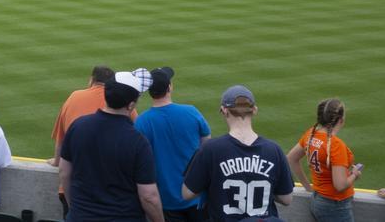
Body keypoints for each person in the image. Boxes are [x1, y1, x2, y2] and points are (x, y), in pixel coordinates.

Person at [59, 71, 163, 222]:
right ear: (131, 105)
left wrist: (76, 208)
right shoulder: (138, 142)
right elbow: (148, 196)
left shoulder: (78, 126)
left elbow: (64, 172)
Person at [182, 85, 294, 222]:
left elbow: (187, 193)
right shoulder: (274, 150)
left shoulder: (210, 149)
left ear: (224, 110)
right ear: (254, 110)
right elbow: (287, 198)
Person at [49, 65, 139, 217]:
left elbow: (61, 141)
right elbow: (136, 134)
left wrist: (56, 160)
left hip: (77, 194)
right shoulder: (122, 102)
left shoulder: (74, 97)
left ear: (91, 80)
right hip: (113, 194)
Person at [135, 67, 210, 222]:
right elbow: (207, 146)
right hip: (195, 196)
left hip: (165, 200)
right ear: (169, 87)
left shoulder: (141, 122)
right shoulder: (191, 112)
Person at [287, 98, 360, 222]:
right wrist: (354, 174)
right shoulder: (336, 145)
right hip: (335, 206)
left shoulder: (310, 134)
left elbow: (291, 158)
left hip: (317, 200)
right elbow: (340, 185)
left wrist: (307, 186)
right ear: (341, 120)